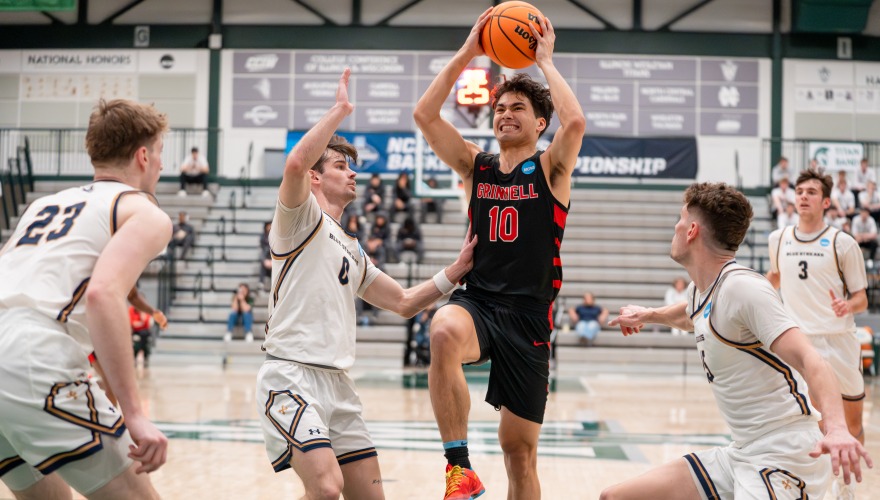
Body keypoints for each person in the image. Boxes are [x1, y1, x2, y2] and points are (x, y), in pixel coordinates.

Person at [255, 68, 476, 500]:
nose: (353, 174)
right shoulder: (299, 219)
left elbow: (405, 301)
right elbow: (297, 162)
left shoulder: (353, 248)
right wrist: (340, 111)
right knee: (325, 487)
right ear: (316, 179)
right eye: (341, 166)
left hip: (338, 384)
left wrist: (457, 268)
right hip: (291, 375)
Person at [603, 182, 872, 500]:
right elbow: (690, 315)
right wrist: (648, 315)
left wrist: (838, 428)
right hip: (742, 452)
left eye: (679, 219)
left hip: (784, 454)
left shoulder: (743, 288)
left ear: (691, 231)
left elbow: (813, 360)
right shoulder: (703, 290)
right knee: (617, 497)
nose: (674, 227)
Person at [413, 8, 585, 499]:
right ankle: (458, 468)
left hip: (530, 318)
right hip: (481, 302)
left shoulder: (552, 169)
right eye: (500, 108)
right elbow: (423, 116)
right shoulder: (475, 165)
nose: (506, 114)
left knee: (520, 455)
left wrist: (545, 61)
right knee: (443, 329)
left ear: (539, 122)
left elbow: (575, 122)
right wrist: (469, 51)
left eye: (517, 108)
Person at [0, 99, 170, 498]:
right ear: (144, 156)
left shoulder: (43, 205)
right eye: (161, 153)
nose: (162, 165)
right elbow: (102, 295)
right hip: (34, 354)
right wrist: (135, 415)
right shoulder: (144, 212)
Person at [766, 169, 870, 499]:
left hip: (838, 341)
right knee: (810, 424)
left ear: (826, 201)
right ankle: (811, 486)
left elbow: (862, 298)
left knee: (850, 425)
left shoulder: (843, 242)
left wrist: (847, 306)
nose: (803, 196)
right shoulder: (778, 238)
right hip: (799, 341)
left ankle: (846, 486)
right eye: (799, 191)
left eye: (811, 192)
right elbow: (775, 279)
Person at [259, 221, 272, 290]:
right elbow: (262, 250)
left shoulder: (275, 236)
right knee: (263, 265)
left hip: (273, 258)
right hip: (266, 257)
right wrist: (265, 261)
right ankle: (261, 282)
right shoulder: (263, 236)